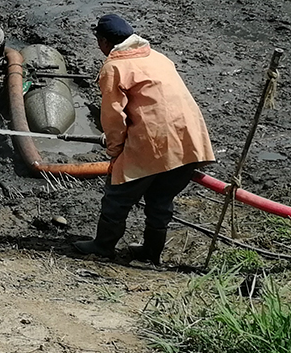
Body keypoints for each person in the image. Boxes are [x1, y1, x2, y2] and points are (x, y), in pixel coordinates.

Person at [74, 14, 215, 264]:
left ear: (105, 42)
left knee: (117, 196)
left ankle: (103, 245)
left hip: (154, 142)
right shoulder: (157, 57)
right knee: (161, 199)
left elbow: (113, 117)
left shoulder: (114, 67)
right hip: (191, 139)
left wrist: (115, 152)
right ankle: (151, 253)